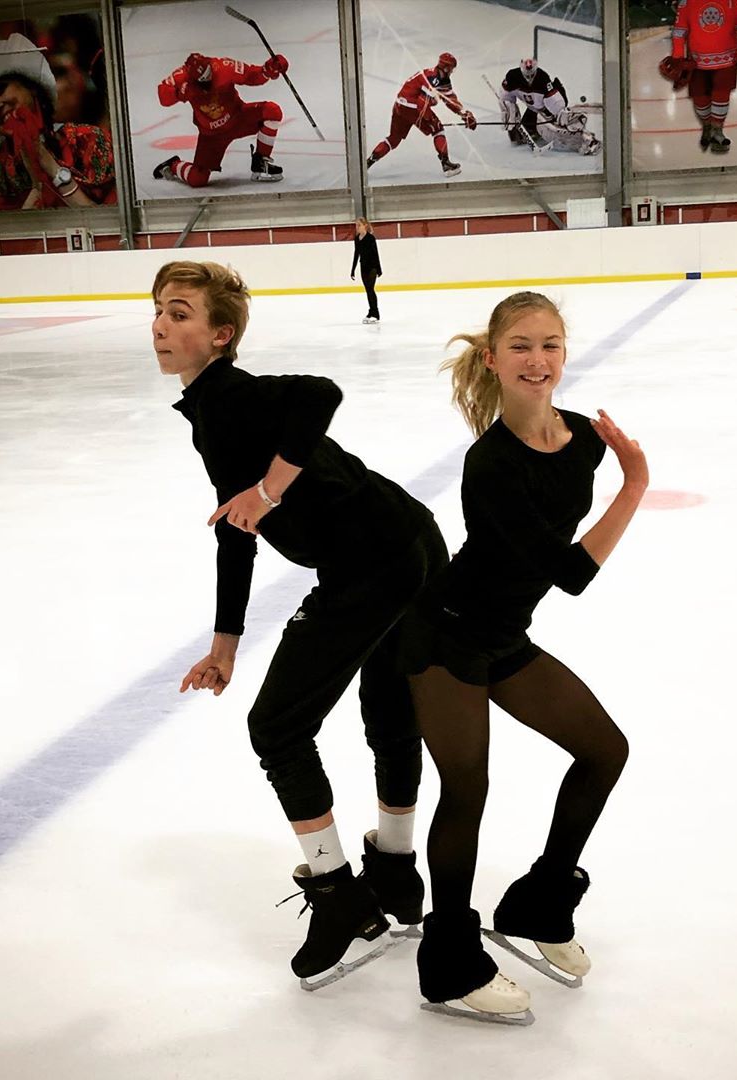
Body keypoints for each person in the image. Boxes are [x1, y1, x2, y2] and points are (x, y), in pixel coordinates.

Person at [151, 261, 448, 989]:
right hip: (409, 539)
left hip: (372, 562)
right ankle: (396, 870)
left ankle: (340, 896)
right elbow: (236, 526)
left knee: (277, 728)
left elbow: (321, 393)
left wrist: (268, 489)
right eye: (158, 311)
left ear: (221, 336)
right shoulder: (212, 409)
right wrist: (224, 646)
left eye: (180, 313)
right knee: (389, 710)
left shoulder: (231, 396)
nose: (160, 325)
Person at [402, 291, 647, 1023]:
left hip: (504, 635)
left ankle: (539, 904)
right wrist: (636, 485)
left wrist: (620, 470)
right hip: (445, 637)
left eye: (550, 345)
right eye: (520, 346)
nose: (537, 360)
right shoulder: (490, 464)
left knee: (604, 750)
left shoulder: (585, 437)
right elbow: (570, 574)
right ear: (492, 359)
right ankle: (449, 962)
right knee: (467, 789)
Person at [0, 32, 116, 210]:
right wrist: (36, 185)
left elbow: (115, 221)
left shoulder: (88, 141)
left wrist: (51, 167)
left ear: (31, 86)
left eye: (0, 89)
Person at [153, 51, 289, 187]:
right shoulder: (181, 76)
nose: (207, 82)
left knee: (272, 111)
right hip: (212, 136)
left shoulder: (224, 66)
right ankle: (173, 165)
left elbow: (252, 76)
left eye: (209, 75)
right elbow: (163, 97)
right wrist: (178, 94)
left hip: (238, 118)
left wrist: (269, 69)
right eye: (202, 81)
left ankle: (261, 163)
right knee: (197, 179)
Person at [659, 0, 737, 154]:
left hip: (727, 60)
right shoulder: (687, 3)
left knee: (721, 96)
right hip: (696, 62)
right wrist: (678, 57)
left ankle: (717, 131)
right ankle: (707, 126)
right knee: (700, 100)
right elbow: (679, 30)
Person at [367, 52, 476, 178]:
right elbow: (422, 104)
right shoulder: (432, 80)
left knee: (393, 139)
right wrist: (431, 122)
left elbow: (450, 98)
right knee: (438, 130)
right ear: (446, 68)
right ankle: (446, 165)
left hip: (399, 105)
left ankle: (367, 163)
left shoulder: (437, 77)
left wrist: (463, 113)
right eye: (451, 68)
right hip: (413, 107)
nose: (452, 71)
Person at [496, 58, 601, 155]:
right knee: (516, 138)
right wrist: (509, 108)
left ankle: (588, 141)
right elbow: (506, 96)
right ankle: (536, 131)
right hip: (535, 107)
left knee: (555, 131)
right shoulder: (512, 77)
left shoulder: (542, 79)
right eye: (526, 74)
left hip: (550, 103)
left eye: (532, 74)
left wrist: (560, 114)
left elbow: (555, 102)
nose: (529, 78)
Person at [350, 218, 382, 324]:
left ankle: (375, 313)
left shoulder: (370, 238)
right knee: (368, 290)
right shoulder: (357, 239)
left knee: (370, 289)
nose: (357, 227)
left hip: (372, 267)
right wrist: (353, 269)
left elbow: (375, 253)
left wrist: (379, 269)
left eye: (359, 225)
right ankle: (372, 311)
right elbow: (356, 254)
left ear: (365, 225)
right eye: (356, 225)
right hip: (363, 267)